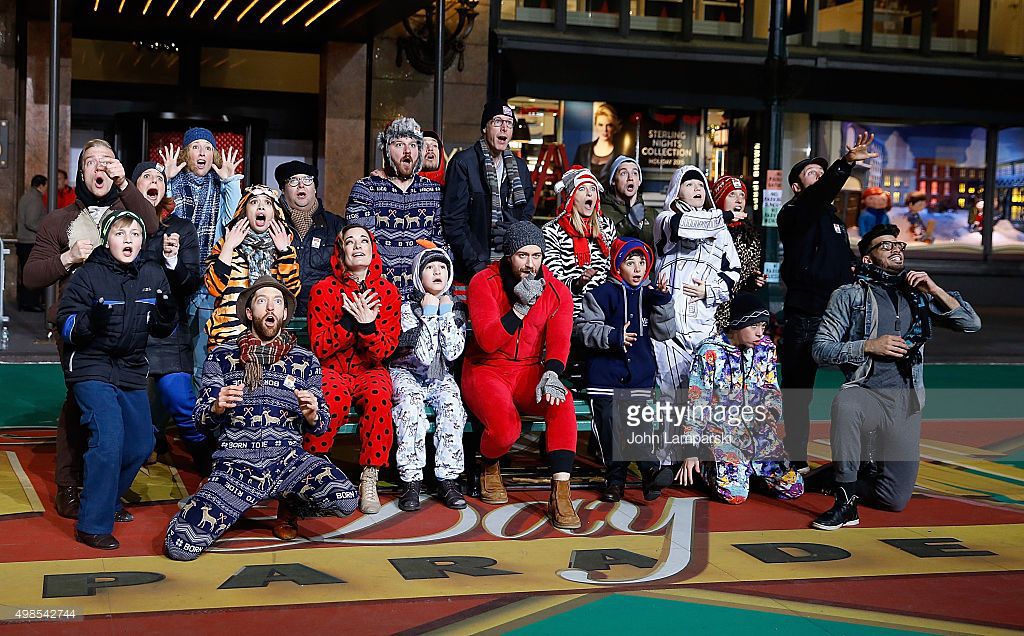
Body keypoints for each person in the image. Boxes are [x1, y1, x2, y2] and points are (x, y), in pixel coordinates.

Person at [164, 277, 358, 560]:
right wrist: (217, 407)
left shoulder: (304, 360)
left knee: (345, 498)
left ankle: (290, 503)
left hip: (289, 461)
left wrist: (313, 413)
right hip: (237, 465)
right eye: (262, 301)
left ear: (284, 314)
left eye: (278, 302)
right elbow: (199, 419)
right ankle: (226, 500)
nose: (271, 307)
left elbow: (322, 424)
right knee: (180, 547)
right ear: (249, 313)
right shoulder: (221, 356)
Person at [24, 138, 159, 520]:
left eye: (107, 161)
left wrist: (125, 184)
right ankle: (69, 483)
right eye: (90, 162)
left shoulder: (128, 215)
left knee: (122, 415)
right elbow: (31, 276)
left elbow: (153, 226)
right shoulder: (59, 220)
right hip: (78, 325)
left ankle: (105, 487)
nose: (99, 167)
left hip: (127, 325)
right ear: (81, 172)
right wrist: (68, 257)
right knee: (77, 403)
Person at [811, 224, 980, 529]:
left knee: (894, 499)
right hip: (865, 390)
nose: (895, 250)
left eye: (898, 245)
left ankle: (836, 475)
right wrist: (868, 345)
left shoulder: (917, 294)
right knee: (845, 405)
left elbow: (971, 324)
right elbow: (821, 349)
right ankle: (845, 500)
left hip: (905, 398)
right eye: (885, 246)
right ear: (868, 258)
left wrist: (935, 289)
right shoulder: (849, 295)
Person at [56, 210, 178, 549]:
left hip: (130, 367)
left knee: (141, 443)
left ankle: (108, 498)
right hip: (91, 366)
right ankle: (92, 523)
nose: (129, 240)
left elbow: (161, 327)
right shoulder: (88, 276)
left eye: (135, 234)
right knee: (108, 440)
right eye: (121, 234)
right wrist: (88, 322)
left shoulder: (152, 273)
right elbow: (65, 326)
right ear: (107, 239)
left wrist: (167, 314)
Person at [462, 221, 581, 529]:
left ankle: (561, 492)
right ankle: (488, 464)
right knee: (505, 430)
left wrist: (553, 373)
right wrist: (518, 309)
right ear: (508, 255)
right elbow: (487, 340)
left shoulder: (556, 291)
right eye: (522, 256)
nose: (530, 264)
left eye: (537, 255)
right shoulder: (482, 282)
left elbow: (559, 341)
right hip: (485, 367)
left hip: (528, 368)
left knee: (562, 402)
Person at [777, 131, 877, 472]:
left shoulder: (834, 222)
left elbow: (839, 262)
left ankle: (862, 457)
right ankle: (796, 458)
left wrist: (856, 268)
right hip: (805, 315)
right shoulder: (793, 212)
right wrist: (844, 165)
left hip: (839, 317)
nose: (820, 177)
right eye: (812, 174)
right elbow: (819, 194)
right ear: (797, 187)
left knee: (861, 384)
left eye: (823, 172)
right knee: (798, 394)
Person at [302, 225, 401, 516]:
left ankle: (369, 477)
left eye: (363, 241)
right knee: (329, 401)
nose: (357, 246)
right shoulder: (323, 290)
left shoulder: (387, 291)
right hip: (332, 368)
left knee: (380, 397)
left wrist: (368, 327)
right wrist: (348, 323)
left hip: (370, 368)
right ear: (340, 251)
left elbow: (385, 350)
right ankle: (312, 475)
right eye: (350, 242)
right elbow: (320, 348)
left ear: (373, 249)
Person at [676, 293, 804, 505]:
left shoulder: (765, 348)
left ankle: (748, 472)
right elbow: (696, 404)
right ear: (738, 324)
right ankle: (710, 467)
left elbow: (772, 388)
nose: (760, 333)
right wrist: (691, 451)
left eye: (763, 326)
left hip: (758, 437)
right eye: (754, 326)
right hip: (722, 438)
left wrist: (768, 420)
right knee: (734, 495)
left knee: (794, 488)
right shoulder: (710, 353)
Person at [574, 237, 676, 503]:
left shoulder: (651, 295)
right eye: (630, 262)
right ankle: (621, 477)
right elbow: (584, 330)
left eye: (642, 261)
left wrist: (664, 301)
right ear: (618, 266)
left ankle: (645, 473)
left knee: (637, 424)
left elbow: (666, 333)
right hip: (605, 375)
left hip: (639, 375)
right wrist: (615, 336)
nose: (638, 267)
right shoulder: (599, 294)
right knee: (609, 424)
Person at [134, 161, 212, 475]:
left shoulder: (181, 228)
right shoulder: (123, 225)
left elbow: (191, 283)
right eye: (145, 177)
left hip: (169, 330)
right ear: (133, 187)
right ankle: (143, 448)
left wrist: (172, 260)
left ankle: (208, 463)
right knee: (136, 406)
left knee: (179, 399)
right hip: (132, 331)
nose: (153, 181)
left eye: (159, 177)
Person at [160, 127, 244, 380]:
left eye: (208, 148)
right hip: (174, 273)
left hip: (207, 279)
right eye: (196, 146)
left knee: (201, 353)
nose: (202, 153)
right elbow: (166, 219)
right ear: (186, 152)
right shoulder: (174, 181)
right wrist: (168, 182)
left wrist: (230, 182)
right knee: (172, 352)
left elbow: (232, 222)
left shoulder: (221, 186)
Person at [390, 246, 468, 511]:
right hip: (406, 372)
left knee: (453, 407)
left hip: (439, 375)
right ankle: (411, 480)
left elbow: (453, 352)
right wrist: (429, 314)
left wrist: (444, 314)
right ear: (418, 275)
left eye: (443, 268)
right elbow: (422, 355)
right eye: (430, 268)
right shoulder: (407, 308)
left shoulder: (455, 308)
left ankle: (448, 478)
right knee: (410, 409)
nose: (437, 272)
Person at [652, 165, 741, 396]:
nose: (697, 189)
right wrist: (725, 216)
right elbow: (686, 227)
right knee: (671, 403)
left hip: (704, 326)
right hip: (670, 329)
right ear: (677, 191)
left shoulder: (721, 231)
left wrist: (709, 291)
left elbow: (733, 271)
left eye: (701, 185)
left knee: (703, 402)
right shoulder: (664, 219)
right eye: (690, 184)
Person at [347, 117, 446, 299]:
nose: (408, 151)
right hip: (375, 296)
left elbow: (441, 247)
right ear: (385, 149)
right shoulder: (366, 189)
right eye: (399, 144)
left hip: (422, 297)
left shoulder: (434, 191)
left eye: (414, 145)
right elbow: (360, 246)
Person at [442, 100, 535, 283]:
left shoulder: (520, 168)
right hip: (472, 270)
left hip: (510, 268)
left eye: (509, 123)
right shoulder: (463, 163)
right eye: (497, 121)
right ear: (485, 127)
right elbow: (453, 222)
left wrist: (514, 232)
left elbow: (527, 213)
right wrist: (477, 265)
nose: (504, 128)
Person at [204, 185, 301, 350]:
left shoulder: (284, 246)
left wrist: (285, 253)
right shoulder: (226, 243)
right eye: (254, 202)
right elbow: (214, 288)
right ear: (244, 210)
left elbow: (292, 293)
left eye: (267, 203)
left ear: (275, 212)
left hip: (270, 338)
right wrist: (228, 247)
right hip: (228, 339)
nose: (261, 206)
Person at [542, 166, 618, 317]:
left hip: (601, 312)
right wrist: (577, 283)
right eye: (582, 188)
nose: (590, 193)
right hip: (566, 312)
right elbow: (552, 279)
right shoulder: (552, 231)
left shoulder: (606, 227)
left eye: (593, 188)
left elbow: (614, 269)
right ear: (571, 196)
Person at [274, 160, 343, 317]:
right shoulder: (273, 224)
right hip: (279, 315)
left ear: (315, 188)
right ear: (283, 189)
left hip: (324, 315)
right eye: (293, 180)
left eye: (307, 180)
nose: (301, 185)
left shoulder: (336, 226)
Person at [711, 176, 766, 331]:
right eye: (732, 195)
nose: (739, 200)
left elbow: (749, 274)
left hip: (738, 314)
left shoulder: (750, 234)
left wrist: (754, 281)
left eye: (742, 195)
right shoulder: (709, 231)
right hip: (711, 307)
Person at [601, 156, 653, 247]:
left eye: (635, 173)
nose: (630, 178)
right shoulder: (601, 212)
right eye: (623, 173)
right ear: (613, 180)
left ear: (639, 181)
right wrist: (629, 223)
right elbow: (604, 245)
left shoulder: (652, 214)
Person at [16, 175, 47, 312]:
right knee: (33, 274)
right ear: (41, 185)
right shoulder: (35, 200)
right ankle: (30, 303)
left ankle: (26, 302)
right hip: (30, 242)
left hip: (24, 242)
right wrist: (46, 229)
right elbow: (31, 222)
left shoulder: (27, 197)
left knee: (26, 273)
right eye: (46, 186)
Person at [573, 103, 621, 186]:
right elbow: (573, 178)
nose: (604, 130)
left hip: (609, 198)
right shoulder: (583, 150)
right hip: (586, 197)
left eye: (609, 125)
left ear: (614, 127)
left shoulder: (621, 154)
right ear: (595, 125)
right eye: (600, 125)